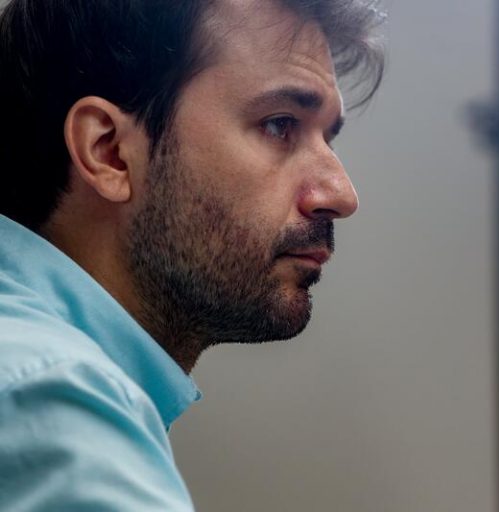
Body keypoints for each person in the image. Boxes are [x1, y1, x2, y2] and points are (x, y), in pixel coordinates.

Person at [0, 0, 384, 509]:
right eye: (280, 125)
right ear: (109, 152)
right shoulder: (52, 404)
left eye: (327, 138)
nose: (341, 195)